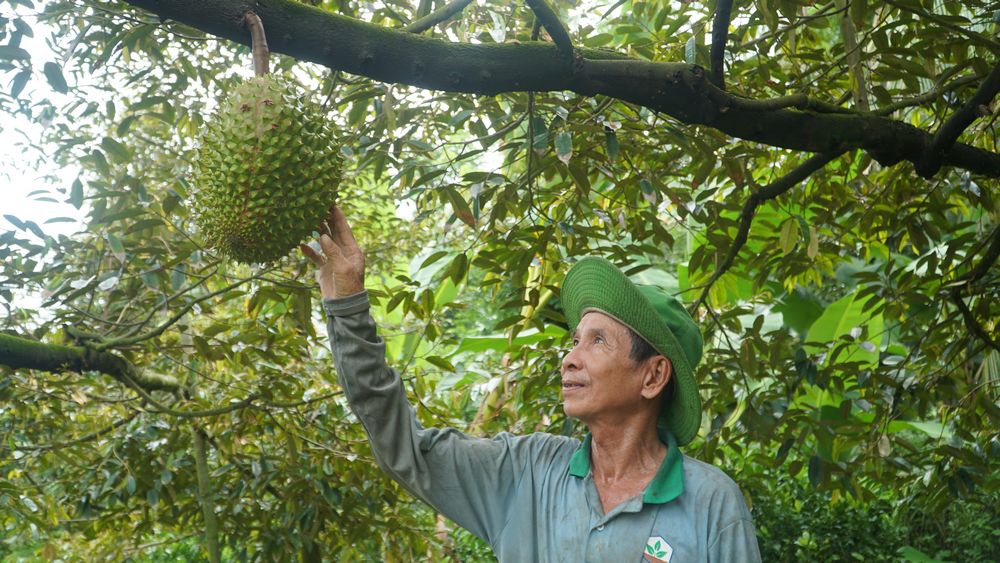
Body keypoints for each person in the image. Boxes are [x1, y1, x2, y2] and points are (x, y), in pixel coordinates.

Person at [302, 207, 761, 562]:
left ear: (653, 376)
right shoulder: (527, 473)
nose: (570, 358)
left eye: (598, 341)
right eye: (575, 340)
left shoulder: (711, 503)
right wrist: (348, 307)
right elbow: (406, 448)